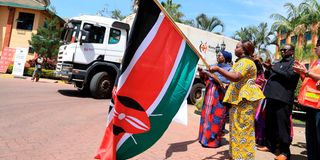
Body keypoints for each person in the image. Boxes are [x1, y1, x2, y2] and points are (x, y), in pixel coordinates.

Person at [209, 40, 265, 159]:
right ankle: (236, 154)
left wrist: (218, 70)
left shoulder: (246, 62)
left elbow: (236, 77)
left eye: (237, 47)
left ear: (244, 50)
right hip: (238, 99)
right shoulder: (240, 62)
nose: (235, 49)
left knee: (242, 129)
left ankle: (243, 156)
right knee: (236, 128)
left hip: (245, 99)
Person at [258, 44, 300, 160]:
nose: (282, 51)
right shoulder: (278, 63)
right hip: (271, 97)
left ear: (291, 51)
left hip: (283, 99)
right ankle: (270, 145)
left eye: (285, 50)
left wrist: (273, 67)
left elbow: (289, 76)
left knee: (282, 126)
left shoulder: (294, 63)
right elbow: (269, 76)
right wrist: (268, 69)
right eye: (281, 49)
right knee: (270, 123)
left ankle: (285, 152)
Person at [197, 50, 232, 148]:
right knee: (206, 116)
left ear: (225, 58)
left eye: (220, 55)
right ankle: (203, 138)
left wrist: (209, 74)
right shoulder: (212, 66)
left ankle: (212, 141)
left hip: (219, 96)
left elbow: (223, 83)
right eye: (218, 54)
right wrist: (201, 72)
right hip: (209, 94)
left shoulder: (229, 69)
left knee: (216, 118)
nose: (218, 56)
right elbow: (204, 79)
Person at [293, 39, 320, 160]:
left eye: (317, 46)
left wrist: (307, 72)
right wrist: (302, 72)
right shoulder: (316, 63)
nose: (315, 49)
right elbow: (309, 80)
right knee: (311, 137)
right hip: (312, 105)